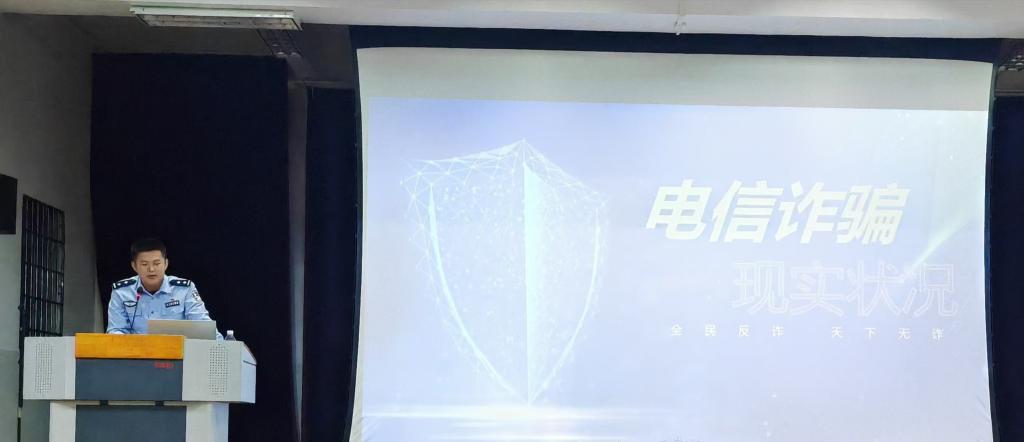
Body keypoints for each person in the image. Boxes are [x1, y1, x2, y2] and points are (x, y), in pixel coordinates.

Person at [106, 238, 222, 338]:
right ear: (134, 266)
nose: (151, 269)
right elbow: (116, 330)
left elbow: (202, 325)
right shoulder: (121, 292)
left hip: (177, 353)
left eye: (156, 263)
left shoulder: (184, 289)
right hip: (137, 353)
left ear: (166, 264)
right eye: (144, 264)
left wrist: (224, 347)